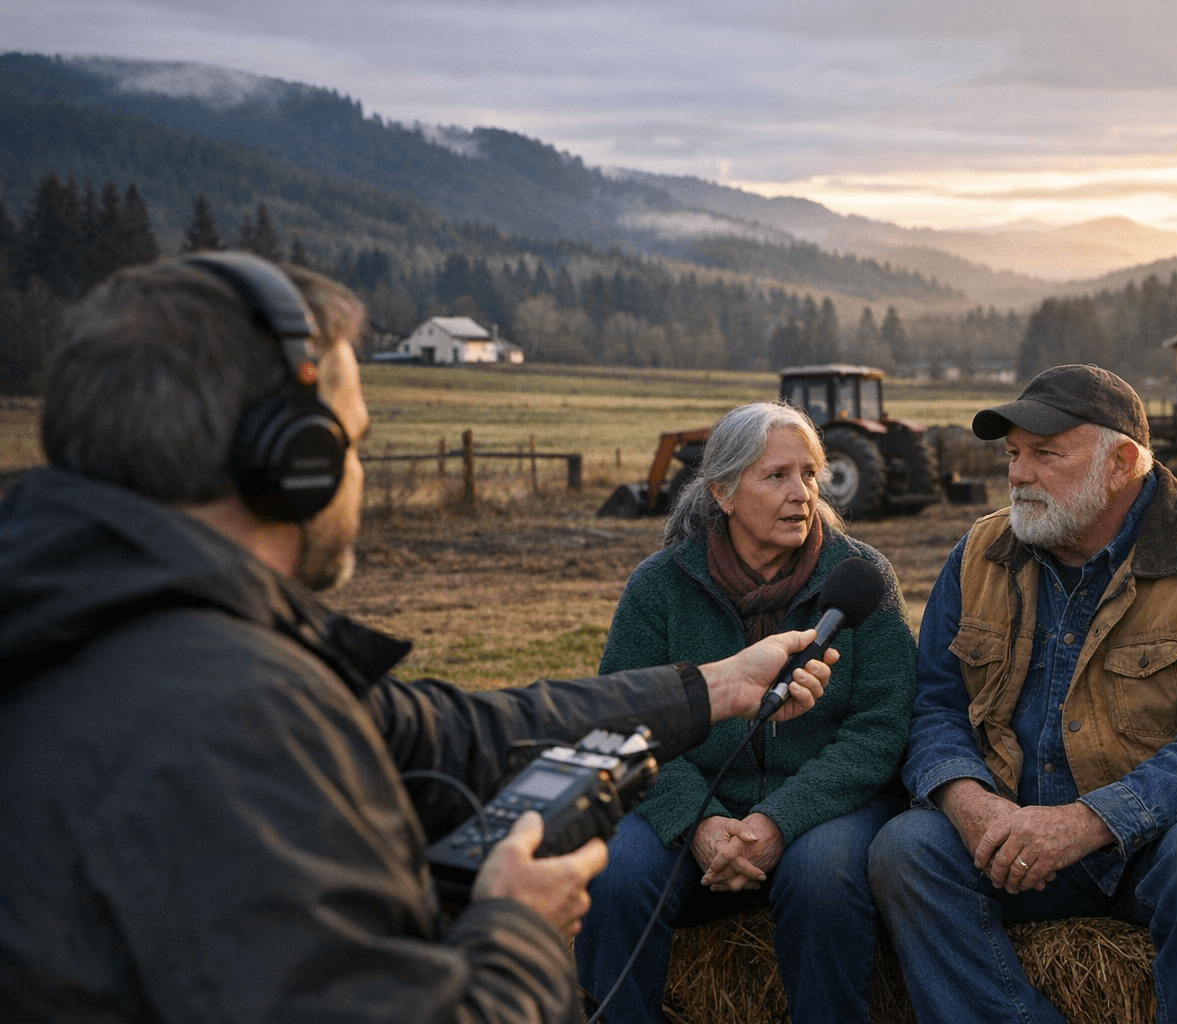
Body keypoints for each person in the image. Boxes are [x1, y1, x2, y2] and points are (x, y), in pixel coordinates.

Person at [0, 254, 834, 1023]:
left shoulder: (109, 625)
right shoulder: (226, 720)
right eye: (352, 444)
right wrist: (516, 933)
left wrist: (709, 688)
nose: (354, 470)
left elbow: (444, 735)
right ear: (292, 463)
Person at [869, 364, 1177, 1024]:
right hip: (1020, 834)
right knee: (907, 849)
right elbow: (935, 702)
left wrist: (1090, 821)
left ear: (1119, 462)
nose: (1018, 473)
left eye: (1045, 453)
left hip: (1166, 839)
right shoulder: (978, 554)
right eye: (1014, 454)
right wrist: (970, 804)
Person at [576, 401, 916, 1024]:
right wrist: (699, 824)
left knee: (823, 880)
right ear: (723, 493)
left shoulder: (861, 580)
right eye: (777, 476)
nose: (802, 493)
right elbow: (631, 726)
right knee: (615, 874)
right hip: (691, 798)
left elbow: (883, 724)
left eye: (811, 474)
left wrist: (780, 819)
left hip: (822, 806)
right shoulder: (658, 588)